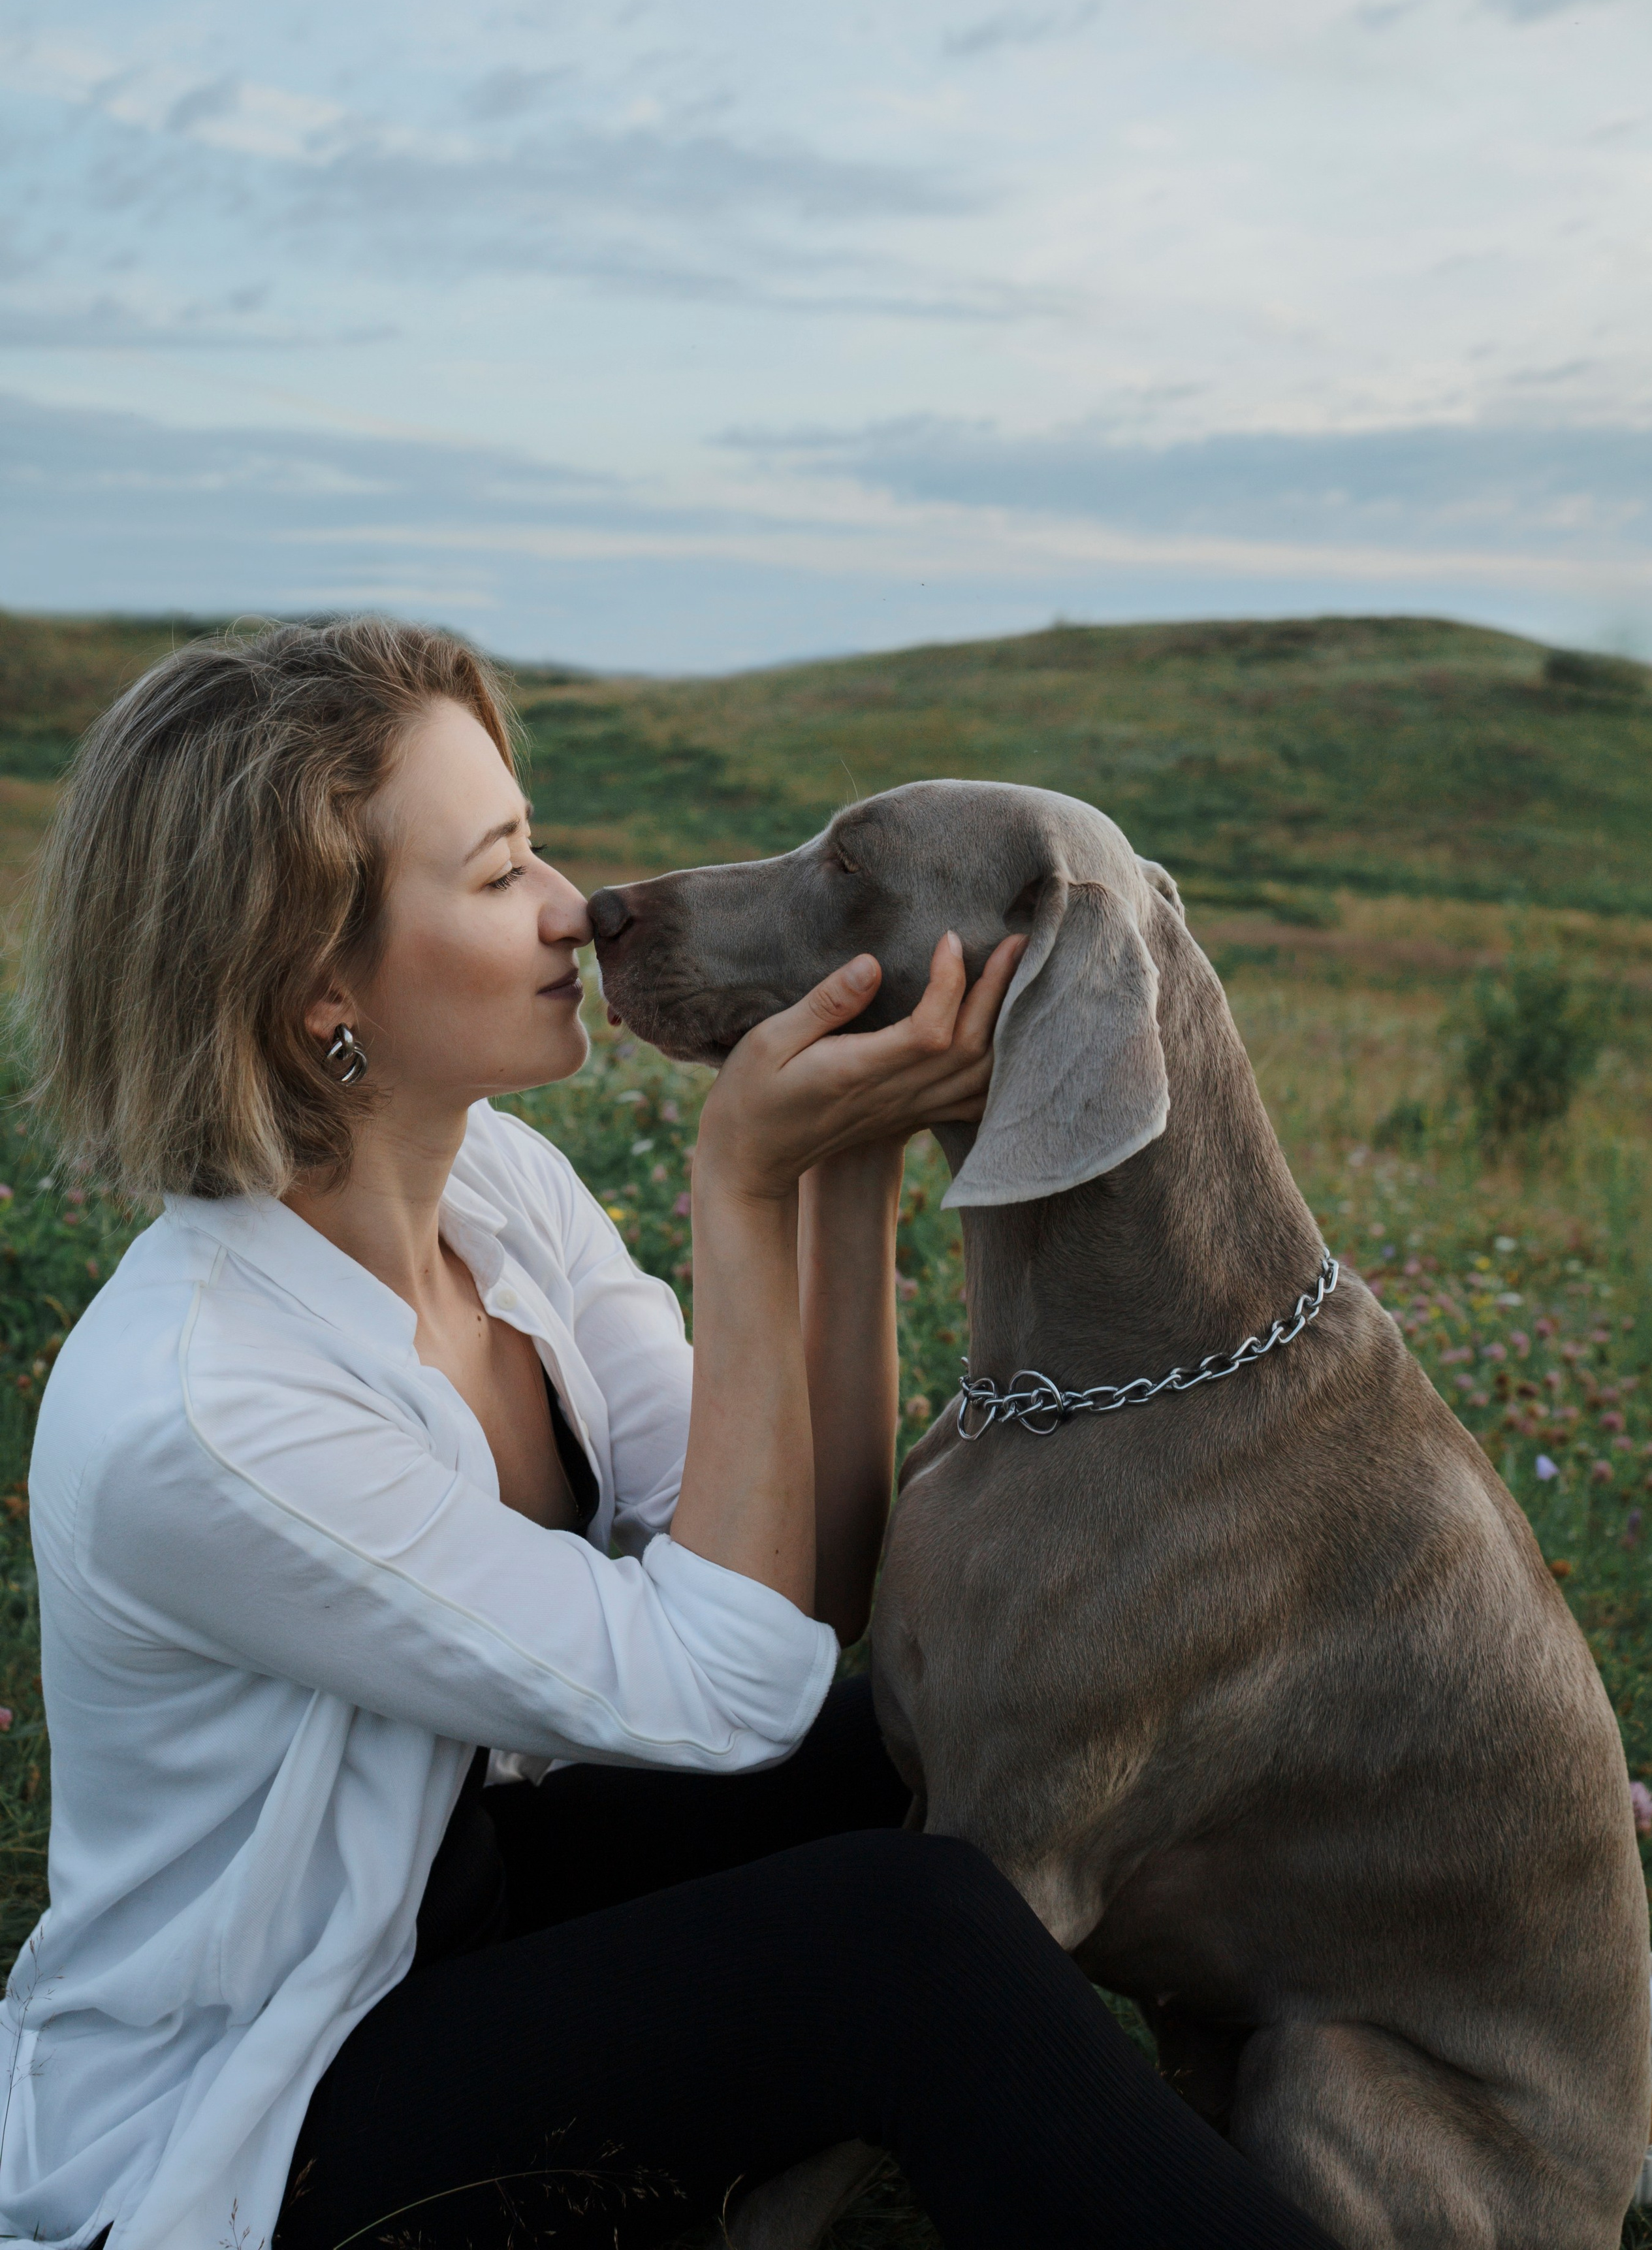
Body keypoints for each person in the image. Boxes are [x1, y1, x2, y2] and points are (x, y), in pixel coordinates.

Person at [3, 619, 1337, 2250]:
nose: (572, 902)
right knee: (900, 1933)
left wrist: (842, 1166)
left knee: (914, 1736)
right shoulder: (207, 1409)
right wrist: (741, 1183)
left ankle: (1409, 1993)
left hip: (452, 1893)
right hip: (268, 2099)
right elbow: (723, 1684)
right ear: (317, 996)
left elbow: (809, 1589)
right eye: (497, 877)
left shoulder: (490, 1188)